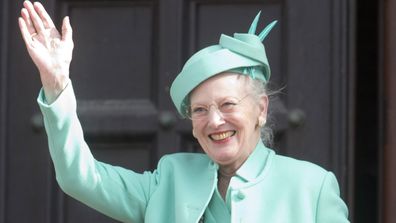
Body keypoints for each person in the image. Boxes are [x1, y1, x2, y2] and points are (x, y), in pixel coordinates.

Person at [19, 1, 349, 222]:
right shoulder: (170, 179)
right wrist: (56, 84)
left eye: (228, 105)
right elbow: (80, 178)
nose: (214, 120)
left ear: (261, 108)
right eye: (200, 110)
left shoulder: (312, 187)